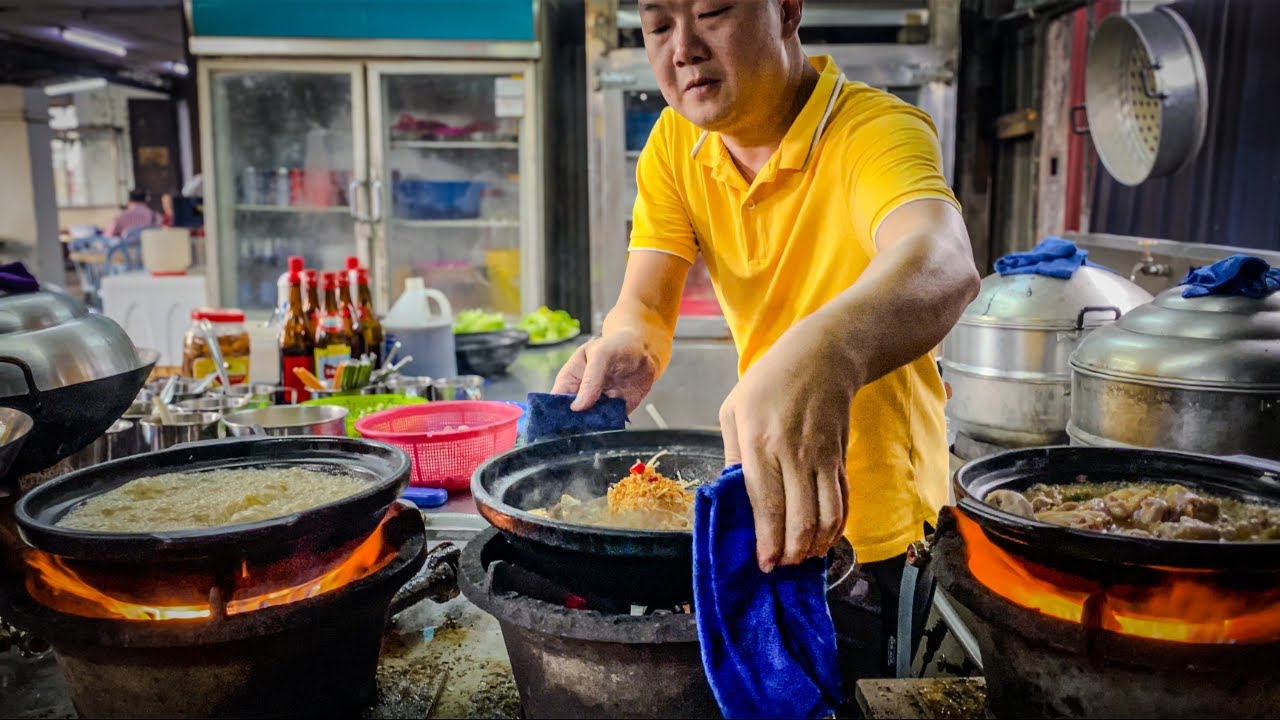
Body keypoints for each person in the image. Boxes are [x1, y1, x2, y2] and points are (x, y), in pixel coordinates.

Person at [551, 0, 981, 683]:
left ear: (786, 9)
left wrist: (827, 353)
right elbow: (646, 302)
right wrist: (630, 341)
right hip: (764, 496)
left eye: (713, 12)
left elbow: (944, 258)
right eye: (658, 26)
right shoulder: (676, 143)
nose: (683, 48)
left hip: (878, 528)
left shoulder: (872, 130)